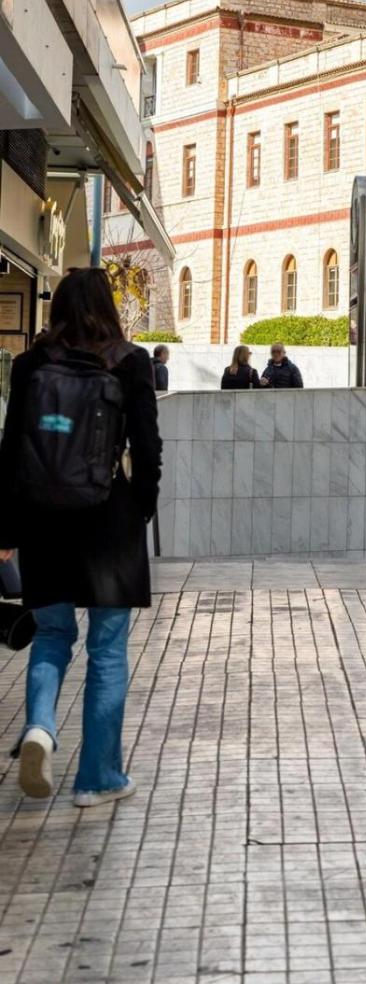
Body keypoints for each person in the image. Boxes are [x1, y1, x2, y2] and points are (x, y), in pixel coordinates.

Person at [0, 267, 161, 807]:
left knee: (51, 635)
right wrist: (140, 508)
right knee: (107, 651)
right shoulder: (131, 362)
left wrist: (6, 527)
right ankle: (98, 778)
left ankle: (40, 728)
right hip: (108, 522)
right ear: (108, 307)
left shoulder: (30, 365)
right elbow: (148, 448)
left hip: (42, 521)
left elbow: (10, 449)